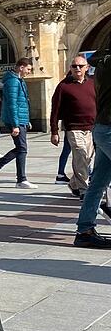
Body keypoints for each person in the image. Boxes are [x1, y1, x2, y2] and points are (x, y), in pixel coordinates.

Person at [74, 46, 111, 249]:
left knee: (98, 183)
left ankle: (85, 231)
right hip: (109, 129)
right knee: (98, 183)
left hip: (102, 128)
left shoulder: (102, 63)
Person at [50, 57, 95, 198]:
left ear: (87, 67)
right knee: (80, 155)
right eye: (74, 66)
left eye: (80, 66)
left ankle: (74, 183)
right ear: (70, 68)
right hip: (73, 127)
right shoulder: (64, 86)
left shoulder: (93, 84)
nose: (77, 68)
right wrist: (54, 131)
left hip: (91, 128)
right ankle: (84, 190)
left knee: (87, 158)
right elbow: (55, 110)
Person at [0, 58, 34, 189]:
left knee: (21, 149)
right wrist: (15, 125)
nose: (29, 72)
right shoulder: (13, 81)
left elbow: (22, 102)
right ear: (21, 67)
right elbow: (12, 104)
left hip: (20, 119)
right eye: (28, 69)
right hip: (16, 120)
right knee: (22, 148)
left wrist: (26, 120)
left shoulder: (18, 80)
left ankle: (16, 177)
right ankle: (17, 177)